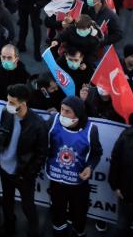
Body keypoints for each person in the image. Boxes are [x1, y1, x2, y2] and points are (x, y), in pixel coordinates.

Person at [0, 83, 48, 237]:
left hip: (23, 173)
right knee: (6, 201)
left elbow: (41, 154)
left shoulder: (38, 124)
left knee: (27, 205)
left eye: (11, 102)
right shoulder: (6, 112)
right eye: (7, 100)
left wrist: (28, 173)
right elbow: (3, 133)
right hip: (4, 167)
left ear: (23, 104)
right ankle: (9, 227)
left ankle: (33, 231)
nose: (7, 105)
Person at [46, 95, 103, 237]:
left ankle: (78, 232)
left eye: (67, 111)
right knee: (58, 214)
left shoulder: (91, 130)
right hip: (56, 181)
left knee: (78, 215)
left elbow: (97, 153)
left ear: (77, 114)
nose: (62, 114)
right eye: (61, 109)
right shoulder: (53, 121)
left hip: (78, 184)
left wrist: (90, 167)